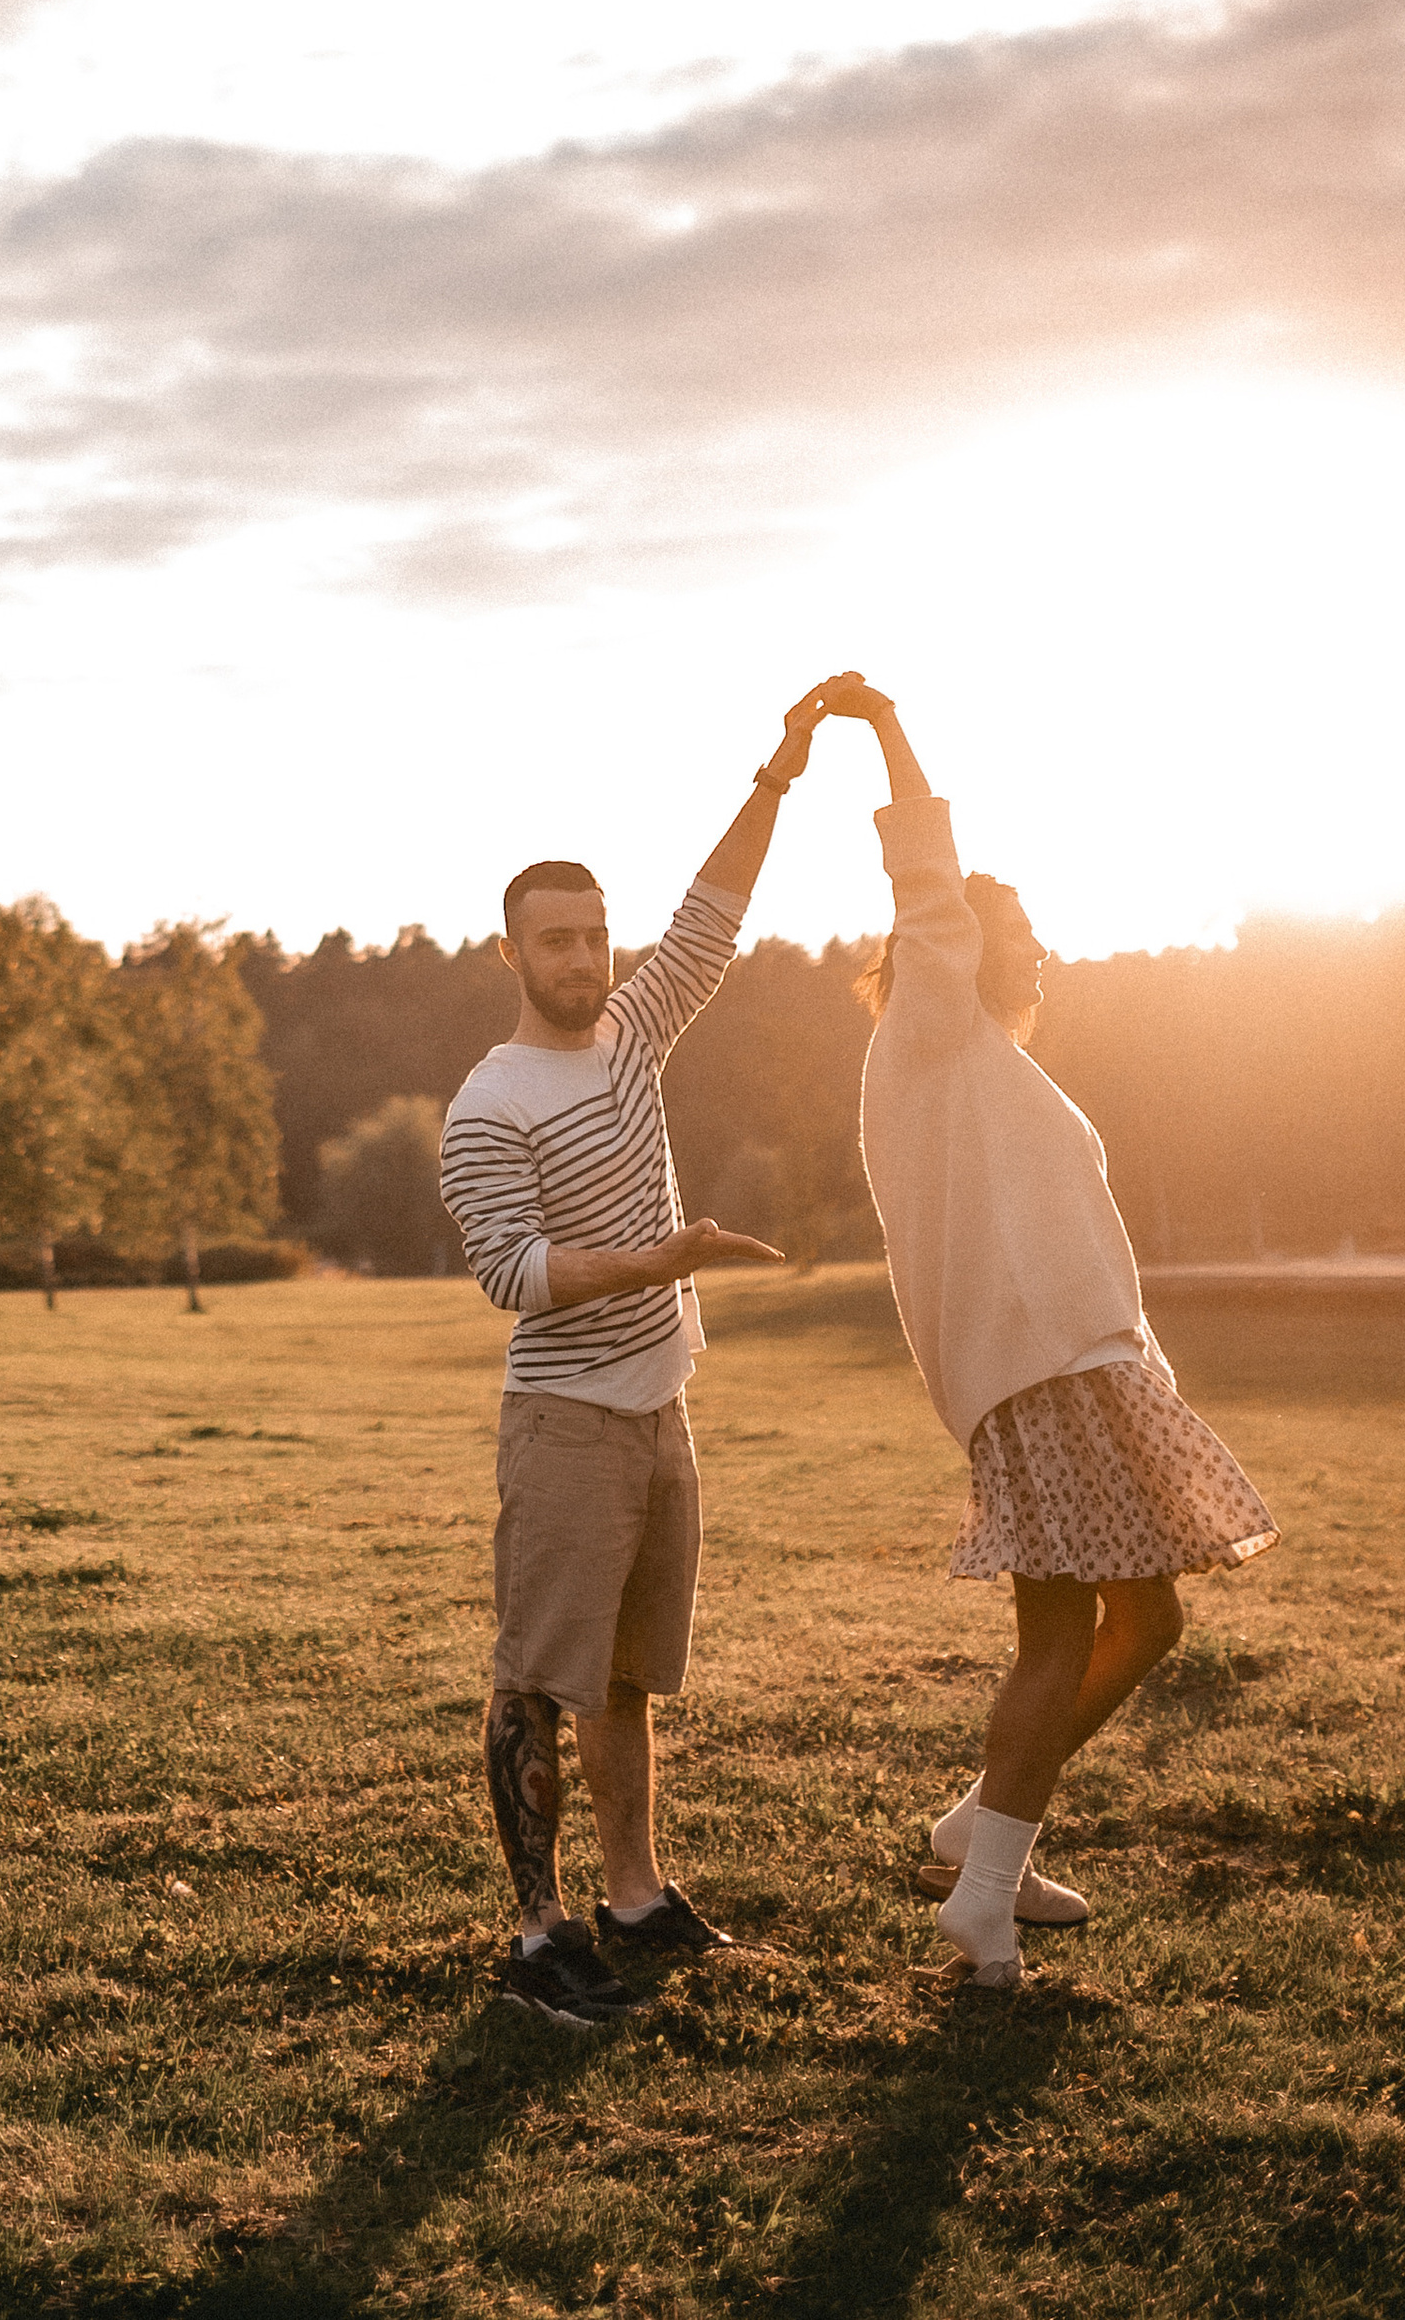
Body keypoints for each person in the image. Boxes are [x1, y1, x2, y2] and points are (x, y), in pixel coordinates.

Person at [821, 673, 1277, 1991]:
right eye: (1005, 929)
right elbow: (927, 884)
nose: (1031, 949)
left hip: (1087, 1369)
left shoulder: (989, 1065)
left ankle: (985, 1833)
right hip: (1039, 1378)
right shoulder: (931, 1033)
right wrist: (890, 733)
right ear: (949, 949)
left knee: (1148, 1616)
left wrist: (1141, 1369)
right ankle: (983, 1896)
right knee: (1064, 1634)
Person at [439, 682, 843, 2029]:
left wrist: (777, 776)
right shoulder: (490, 1101)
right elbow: (512, 1274)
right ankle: (537, 1933)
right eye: (557, 939)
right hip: (566, 1421)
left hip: (660, 1409)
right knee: (536, 1679)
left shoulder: (631, 1034)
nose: (584, 956)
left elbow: (711, 919)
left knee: (624, 1677)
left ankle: (634, 1896)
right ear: (511, 951)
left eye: (595, 933)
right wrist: (662, 1260)